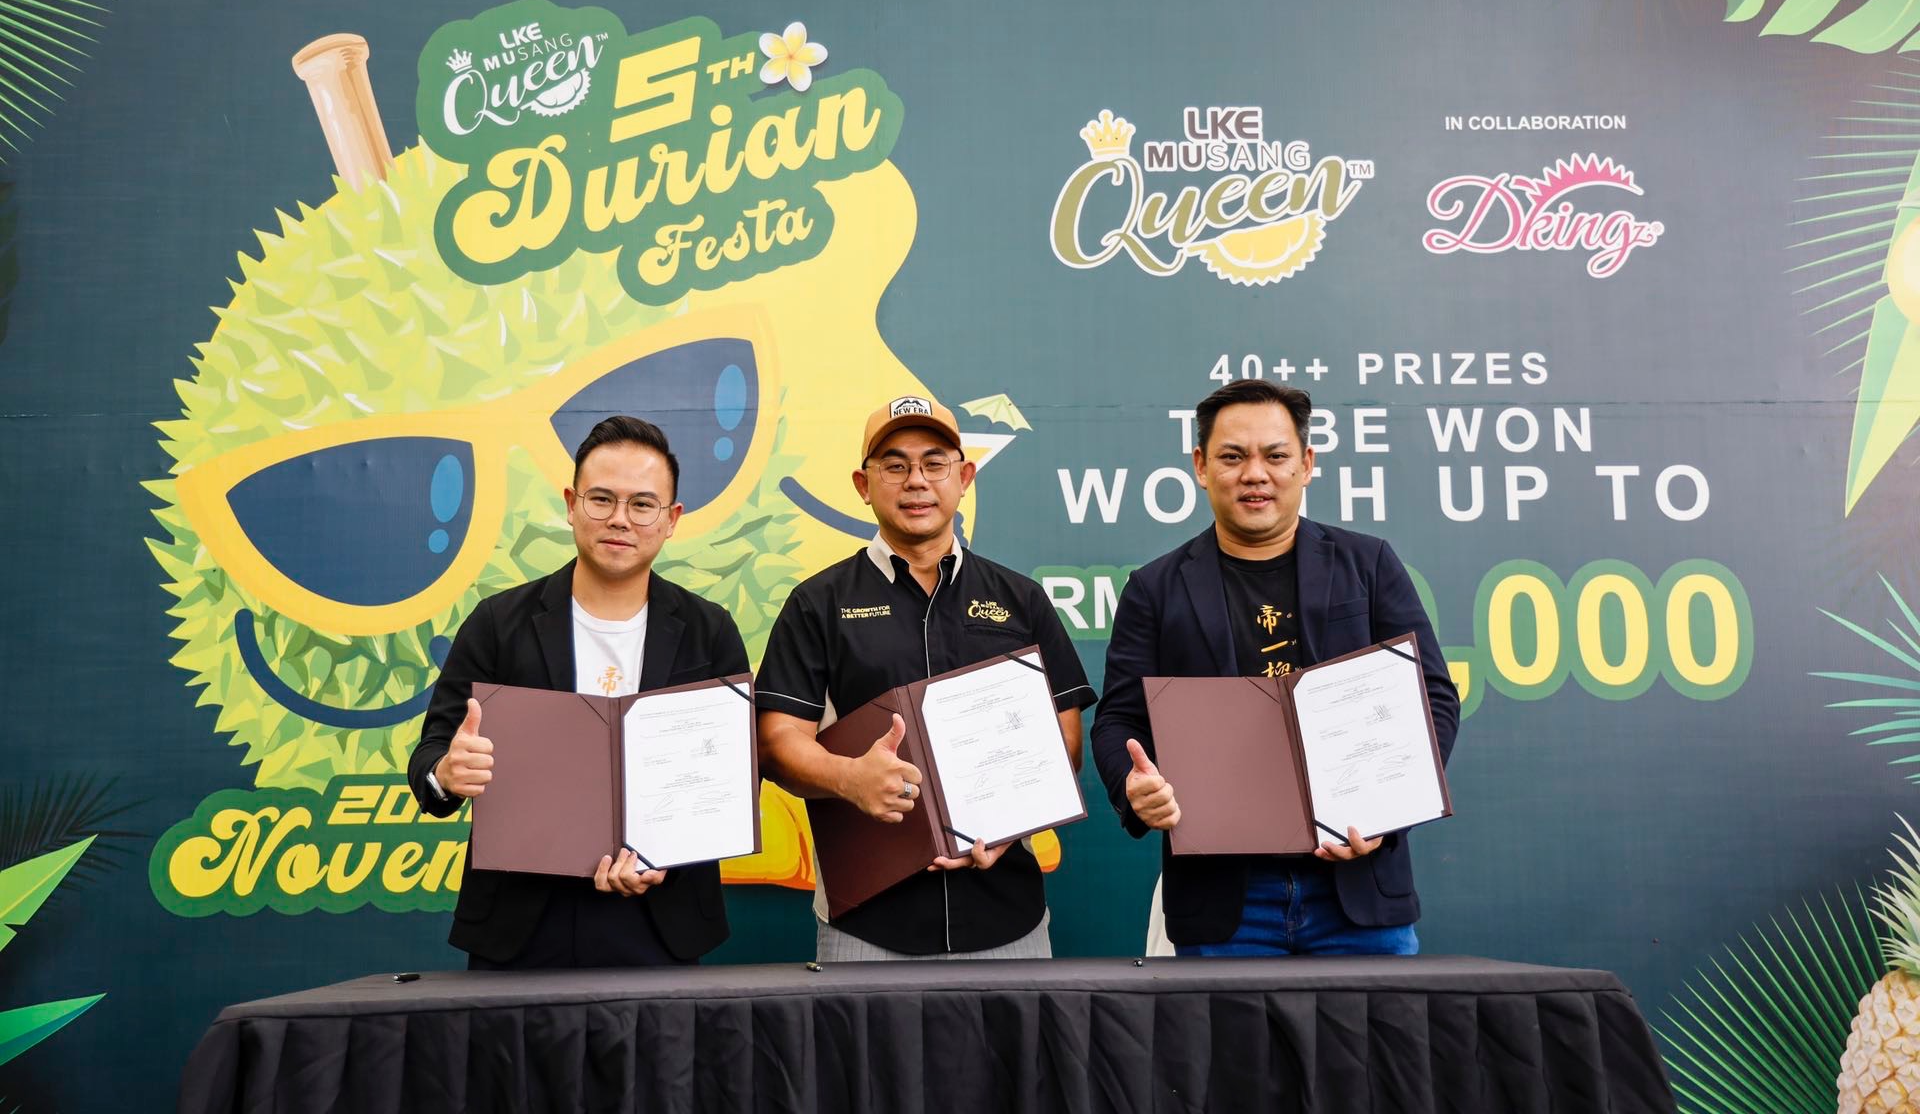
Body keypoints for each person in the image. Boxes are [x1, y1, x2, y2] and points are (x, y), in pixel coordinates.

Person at [1090, 379, 1459, 956]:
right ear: (1201, 466)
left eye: (1276, 456)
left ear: (1306, 464)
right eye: (1232, 457)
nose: (1255, 474)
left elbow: (1431, 697)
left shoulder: (1368, 564)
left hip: (1358, 890)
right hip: (1224, 903)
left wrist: (1388, 812)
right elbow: (1118, 720)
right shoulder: (1154, 589)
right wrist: (1131, 785)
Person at [755, 394, 1095, 959]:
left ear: (964, 478)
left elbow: (1066, 736)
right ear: (863, 485)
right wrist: (850, 778)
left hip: (1007, 913)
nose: (916, 480)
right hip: (867, 920)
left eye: (934, 463)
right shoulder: (817, 603)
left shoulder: (1021, 598)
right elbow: (776, 741)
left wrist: (1011, 820)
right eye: (894, 465)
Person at [407, 415, 749, 968]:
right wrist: (446, 773)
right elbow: (431, 755)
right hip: (519, 923)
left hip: (662, 920)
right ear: (571, 504)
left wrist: (665, 855)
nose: (620, 519)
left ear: (671, 519)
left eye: (643, 504)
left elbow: (730, 776)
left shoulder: (709, 631)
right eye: (601, 499)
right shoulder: (498, 624)